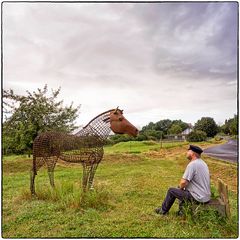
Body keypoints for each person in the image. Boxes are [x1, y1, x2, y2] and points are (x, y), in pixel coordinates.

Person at [155, 145, 211, 216]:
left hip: (199, 198)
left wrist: (180, 188)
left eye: (188, 151)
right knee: (181, 190)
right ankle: (182, 212)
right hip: (205, 196)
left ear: (192, 153)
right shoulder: (203, 163)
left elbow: (183, 182)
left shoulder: (193, 164)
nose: (186, 153)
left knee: (172, 190)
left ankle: (163, 211)